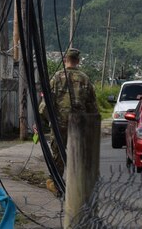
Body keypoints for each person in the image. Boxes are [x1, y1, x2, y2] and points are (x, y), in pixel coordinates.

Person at [39, 48, 98, 193]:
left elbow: (45, 105)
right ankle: (78, 187)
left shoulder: (57, 78)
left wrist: (47, 121)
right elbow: (92, 106)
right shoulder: (84, 79)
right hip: (79, 124)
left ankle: (57, 183)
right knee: (77, 155)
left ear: (65, 60)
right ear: (77, 61)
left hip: (60, 124)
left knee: (58, 155)